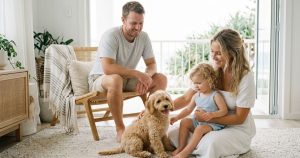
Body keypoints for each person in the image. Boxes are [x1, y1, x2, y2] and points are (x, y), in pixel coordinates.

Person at [168, 28, 256, 158]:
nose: (213, 57)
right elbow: (187, 98)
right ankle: (190, 147)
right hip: (206, 122)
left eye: (219, 53)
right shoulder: (211, 70)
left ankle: (190, 150)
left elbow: (240, 118)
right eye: (212, 52)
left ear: (232, 53)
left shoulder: (245, 76)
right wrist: (154, 110)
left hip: (235, 127)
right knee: (173, 133)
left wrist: (209, 117)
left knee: (211, 144)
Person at [88, 1, 167, 142]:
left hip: (125, 79)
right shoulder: (111, 35)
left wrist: (146, 77)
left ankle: (153, 121)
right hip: (101, 78)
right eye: (133, 23)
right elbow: (108, 68)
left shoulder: (144, 37)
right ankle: (120, 129)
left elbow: (152, 64)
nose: (137, 28)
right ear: (123, 20)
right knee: (115, 79)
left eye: (141, 23)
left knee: (161, 79)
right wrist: (137, 74)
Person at [170, 63, 228, 158]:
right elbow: (188, 109)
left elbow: (224, 111)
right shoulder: (196, 95)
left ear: (210, 80)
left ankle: (186, 152)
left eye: (199, 83)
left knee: (199, 129)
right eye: (194, 83)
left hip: (212, 124)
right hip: (198, 122)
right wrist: (176, 117)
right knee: (185, 121)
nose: (196, 86)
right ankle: (181, 147)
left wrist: (212, 115)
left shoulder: (215, 95)